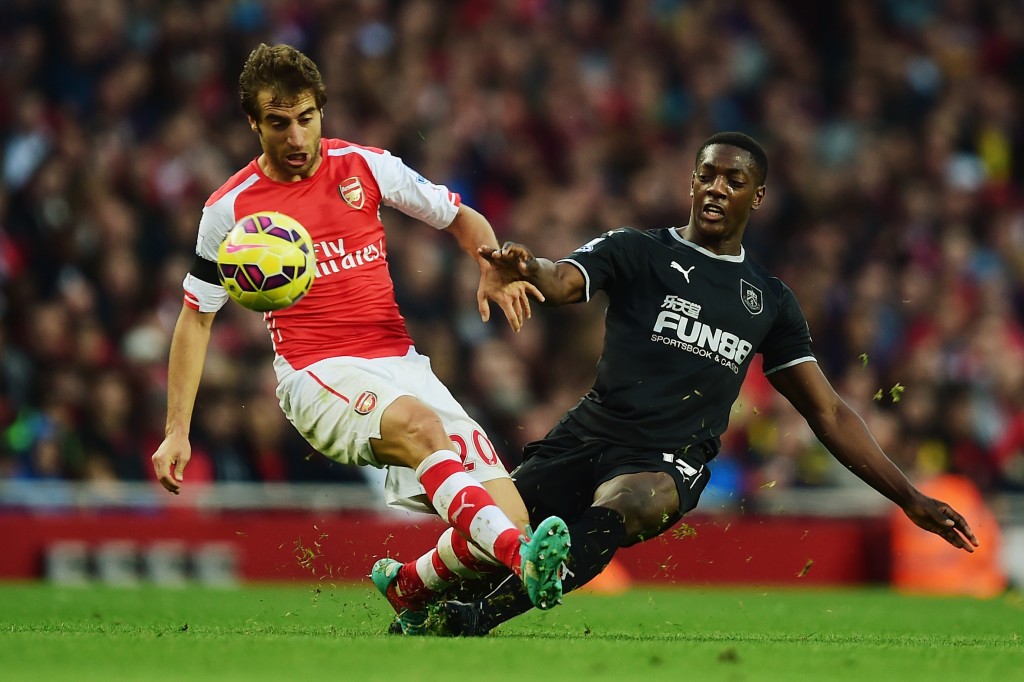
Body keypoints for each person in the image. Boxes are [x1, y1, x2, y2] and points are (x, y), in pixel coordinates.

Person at [376, 131, 980, 636]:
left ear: (758, 196)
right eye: (707, 175)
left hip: (668, 459)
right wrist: (527, 267)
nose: (717, 188)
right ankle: (414, 594)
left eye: (733, 180)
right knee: (497, 535)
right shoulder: (638, 250)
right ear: (692, 182)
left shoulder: (768, 301)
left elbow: (829, 412)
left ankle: (479, 620)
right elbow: (563, 280)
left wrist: (909, 497)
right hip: (587, 434)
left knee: (632, 503)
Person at [148, 43, 571, 629]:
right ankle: (523, 563)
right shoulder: (230, 210)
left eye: (306, 119)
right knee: (434, 444)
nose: (296, 138)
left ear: (321, 109)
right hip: (315, 372)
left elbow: (460, 217)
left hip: (399, 362)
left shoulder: (365, 167)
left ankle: (406, 585)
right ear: (253, 122)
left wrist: (487, 259)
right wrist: (176, 432)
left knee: (504, 516)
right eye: (278, 123)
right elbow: (196, 319)